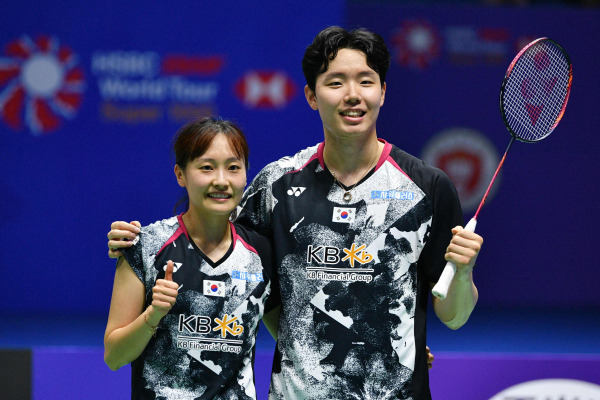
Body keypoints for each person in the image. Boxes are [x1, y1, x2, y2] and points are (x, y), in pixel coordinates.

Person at [108, 26, 482, 399]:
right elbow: (215, 251)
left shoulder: (427, 189)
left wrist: (462, 274)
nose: (353, 95)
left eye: (365, 81)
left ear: (382, 92)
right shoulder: (276, 186)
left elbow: (454, 315)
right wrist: (134, 244)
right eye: (335, 83)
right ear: (311, 96)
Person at [104, 117, 279, 399]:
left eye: (233, 168)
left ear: (246, 175)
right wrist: (154, 314)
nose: (221, 181)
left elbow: (289, 338)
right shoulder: (145, 247)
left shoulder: (262, 254)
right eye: (206, 167)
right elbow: (113, 356)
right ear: (180, 175)